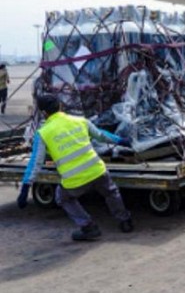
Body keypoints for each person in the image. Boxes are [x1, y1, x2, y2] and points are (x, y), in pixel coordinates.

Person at [17, 94, 134, 241]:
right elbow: (100, 135)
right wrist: (121, 141)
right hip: (96, 169)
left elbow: (36, 162)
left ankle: (88, 227)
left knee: (62, 198)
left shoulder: (43, 133)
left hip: (74, 179)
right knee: (111, 192)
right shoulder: (79, 121)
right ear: (60, 106)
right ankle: (125, 221)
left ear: (44, 113)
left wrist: (25, 187)